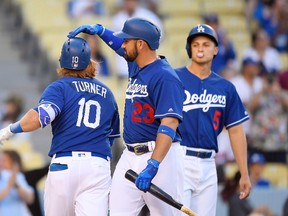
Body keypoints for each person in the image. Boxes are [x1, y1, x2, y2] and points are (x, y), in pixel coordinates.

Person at [67, 17, 185, 215]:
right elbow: (118, 47)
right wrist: (101, 30)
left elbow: (170, 123)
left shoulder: (165, 77)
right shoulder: (137, 64)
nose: (123, 44)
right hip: (130, 155)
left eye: (127, 41)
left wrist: (153, 165)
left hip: (160, 156)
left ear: (141, 44)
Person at [0, 37, 121, 216]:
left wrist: (10, 129)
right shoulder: (107, 93)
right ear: (90, 62)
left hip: (65, 164)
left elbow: (42, 117)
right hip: (97, 166)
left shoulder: (59, 87)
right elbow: (112, 136)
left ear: (62, 62)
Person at [175, 24, 251, 216]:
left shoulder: (226, 87)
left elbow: (235, 131)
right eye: (196, 44)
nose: (200, 48)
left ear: (216, 50)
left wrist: (244, 172)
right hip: (179, 159)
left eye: (206, 44)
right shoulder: (174, 79)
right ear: (189, 49)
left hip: (209, 164)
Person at [112, 0, 164, 80]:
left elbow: (159, 36)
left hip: (144, 67)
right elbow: (115, 39)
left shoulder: (148, 16)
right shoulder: (118, 18)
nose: (130, 3)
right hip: (123, 67)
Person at [0, 150, 34, 216]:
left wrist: (16, 185)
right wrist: (9, 186)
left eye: (4, 160)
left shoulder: (18, 176)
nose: (1, 163)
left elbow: (30, 199)